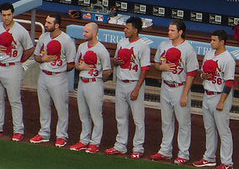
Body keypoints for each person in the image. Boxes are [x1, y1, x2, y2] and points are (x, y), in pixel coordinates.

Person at [0, 3, 35, 141]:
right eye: (4, 15)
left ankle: (18, 130)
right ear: (1, 15)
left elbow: (30, 48)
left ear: (13, 14)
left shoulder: (21, 31)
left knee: (15, 100)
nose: (6, 18)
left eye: (9, 15)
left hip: (13, 67)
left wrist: (20, 60)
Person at [150, 19, 198, 164]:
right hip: (165, 86)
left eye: (172, 30)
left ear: (180, 32)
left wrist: (184, 94)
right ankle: (165, 151)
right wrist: (161, 68)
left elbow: (191, 73)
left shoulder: (188, 49)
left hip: (180, 87)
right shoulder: (164, 45)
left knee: (183, 123)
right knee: (166, 121)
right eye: (169, 30)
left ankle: (183, 154)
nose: (169, 32)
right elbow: (156, 63)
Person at [105, 16, 151, 158]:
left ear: (135, 30)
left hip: (133, 83)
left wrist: (137, 88)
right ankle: (120, 145)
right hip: (121, 82)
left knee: (138, 119)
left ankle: (138, 148)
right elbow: (117, 60)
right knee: (120, 116)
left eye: (127, 28)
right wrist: (114, 61)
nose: (125, 30)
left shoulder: (143, 45)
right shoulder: (122, 42)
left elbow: (144, 69)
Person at [29, 14, 76, 148]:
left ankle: (61, 136)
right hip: (43, 75)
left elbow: (72, 63)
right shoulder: (44, 37)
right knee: (43, 106)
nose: (46, 24)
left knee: (61, 108)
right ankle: (44, 133)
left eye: (49, 23)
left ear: (57, 25)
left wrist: (59, 69)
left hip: (58, 77)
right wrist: (43, 59)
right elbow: (36, 56)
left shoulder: (66, 40)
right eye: (46, 21)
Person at [193, 29, 236, 169]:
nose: (211, 42)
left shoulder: (228, 59)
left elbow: (229, 83)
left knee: (223, 131)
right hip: (207, 94)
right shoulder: (209, 54)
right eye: (211, 40)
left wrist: (222, 102)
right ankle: (209, 158)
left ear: (222, 42)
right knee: (209, 129)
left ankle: (227, 162)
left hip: (220, 96)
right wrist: (203, 75)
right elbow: (202, 72)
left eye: (214, 40)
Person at [71, 22, 112, 153]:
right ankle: (84, 140)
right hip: (82, 83)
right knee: (83, 114)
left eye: (86, 32)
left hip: (94, 83)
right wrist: (81, 67)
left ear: (94, 33)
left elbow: (107, 71)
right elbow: (76, 64)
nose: (84, 34)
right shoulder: (82, 46)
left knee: (95, 115)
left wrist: (98, 79)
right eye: (84, 31)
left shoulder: (101, 50)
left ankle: (95, 143)